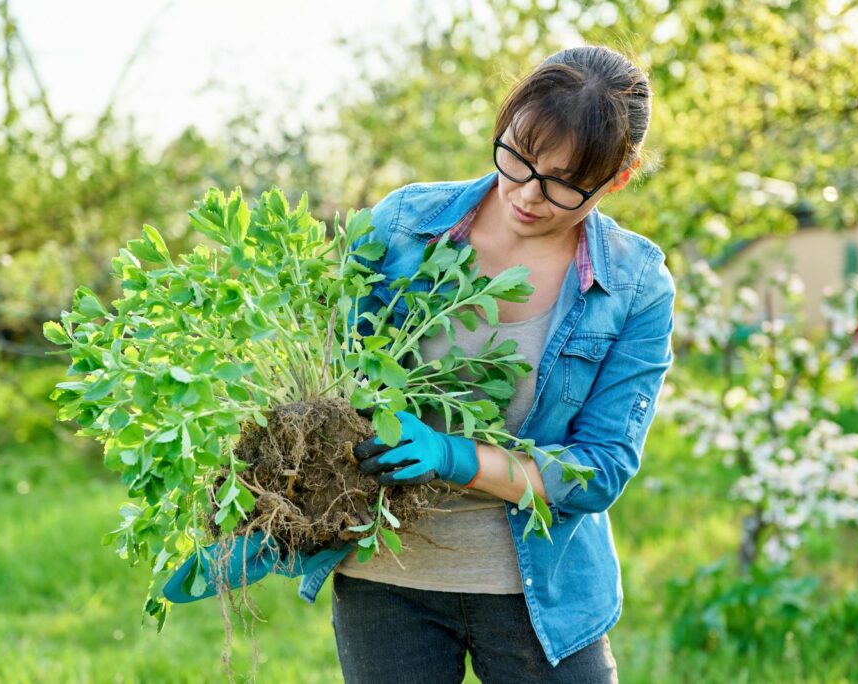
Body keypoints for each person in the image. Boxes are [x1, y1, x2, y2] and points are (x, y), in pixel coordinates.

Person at [166, 44, 674, 684]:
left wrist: (454, 457)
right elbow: (333, 368)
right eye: (517, 156)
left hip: (542, 592)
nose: (526, 193)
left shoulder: (634, 285)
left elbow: (599, 471)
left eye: (565, 182)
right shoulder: (405, 225)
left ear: (616, 179)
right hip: (387, 579)